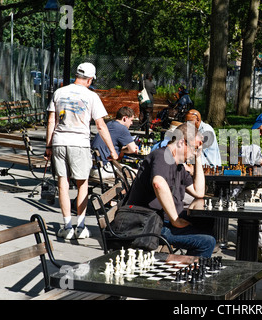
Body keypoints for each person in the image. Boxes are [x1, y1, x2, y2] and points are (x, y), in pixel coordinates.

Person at [45, 62, 118, 240]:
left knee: (63, 183)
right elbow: (101, 126)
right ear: (90, 79)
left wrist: (48, 146)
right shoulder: (91, 96)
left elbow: (51, 121)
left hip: (59, 142)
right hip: (79, 143)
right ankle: (81, 226)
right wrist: (112, 150)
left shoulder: (59, 92)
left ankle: (67, 226)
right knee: (82, 184)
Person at [125, 122, 216, 257]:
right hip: (149, 223)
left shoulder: (179, 165)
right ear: (181, 142)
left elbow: (199, 192)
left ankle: (186, 269)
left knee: (207, 222)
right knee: (207, 242)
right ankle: (190, 274)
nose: (195, 151)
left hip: (162, 220)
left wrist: (198, 157)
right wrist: (175, 220)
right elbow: (159, 183)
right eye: (194, 147)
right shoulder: (162, 156)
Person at [90, 106, 138, 179]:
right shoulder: (122, 128)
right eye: (131, 120)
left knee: (127, 168)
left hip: (91, 168)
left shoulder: (109, 124)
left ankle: (124, 190)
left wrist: (120, 149)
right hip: (101, 170)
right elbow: (133, 150)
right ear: (125, 118)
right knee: (137, 173)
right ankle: (126, 190)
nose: (131, 123)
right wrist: (124, 149)